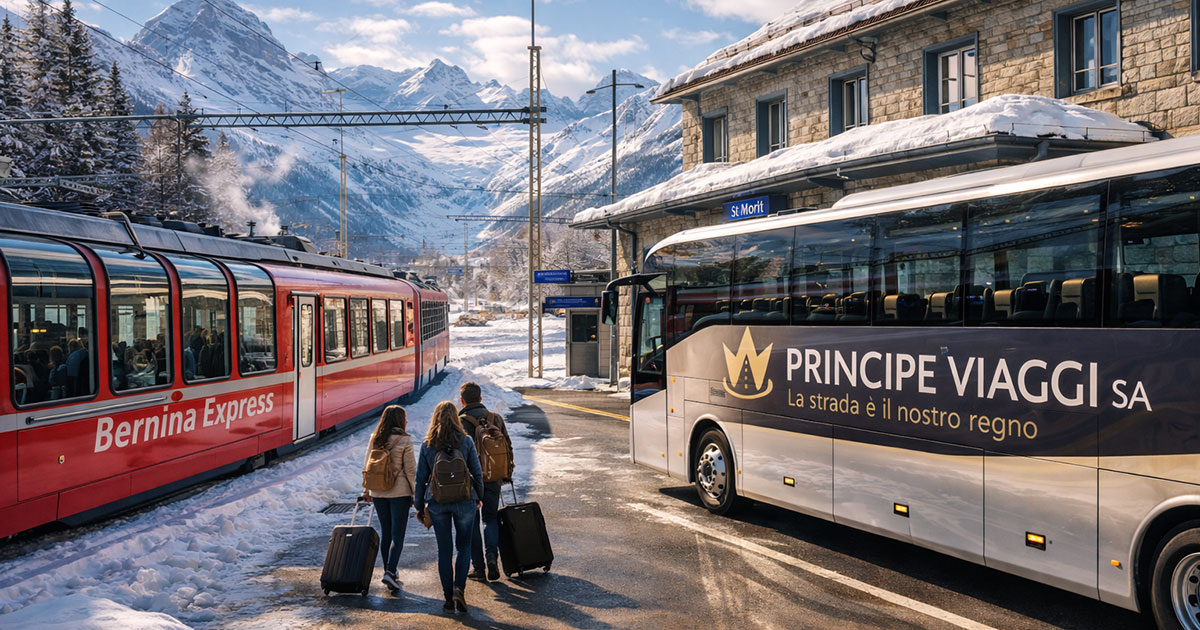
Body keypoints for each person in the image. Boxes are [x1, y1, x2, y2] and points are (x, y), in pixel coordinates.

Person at [414, 401, 484, 613]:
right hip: (465, 501)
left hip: (437, 503)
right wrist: (478, 496)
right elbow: (477, 472)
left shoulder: (427, 444)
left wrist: (419, 505)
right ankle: (458, 589)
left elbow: (420, 479)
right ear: (455, 417)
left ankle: (447, 597)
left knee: (444, 550)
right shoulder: (467, 441)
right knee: (464, 547)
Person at [458, 381, 512, 582]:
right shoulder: (495, 418)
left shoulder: (461, 422)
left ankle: (478, 567)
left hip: (470, 480)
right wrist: (506, 473)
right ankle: (492, 557)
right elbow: (507, 445)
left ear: (462, 400)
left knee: (471, 523)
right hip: (493, 477)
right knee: (490, 518)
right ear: (481, 398)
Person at [361, 405, 416, 592]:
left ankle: (388, 570)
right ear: (401, 421)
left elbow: (368, 466)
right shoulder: (405, 440)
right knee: (397, 535)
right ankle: (390, 572)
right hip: (399, 493)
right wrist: (416, 494)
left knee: (386, 532)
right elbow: (410, 471)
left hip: (378, 492)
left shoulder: (375, 439)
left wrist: (367, 490)